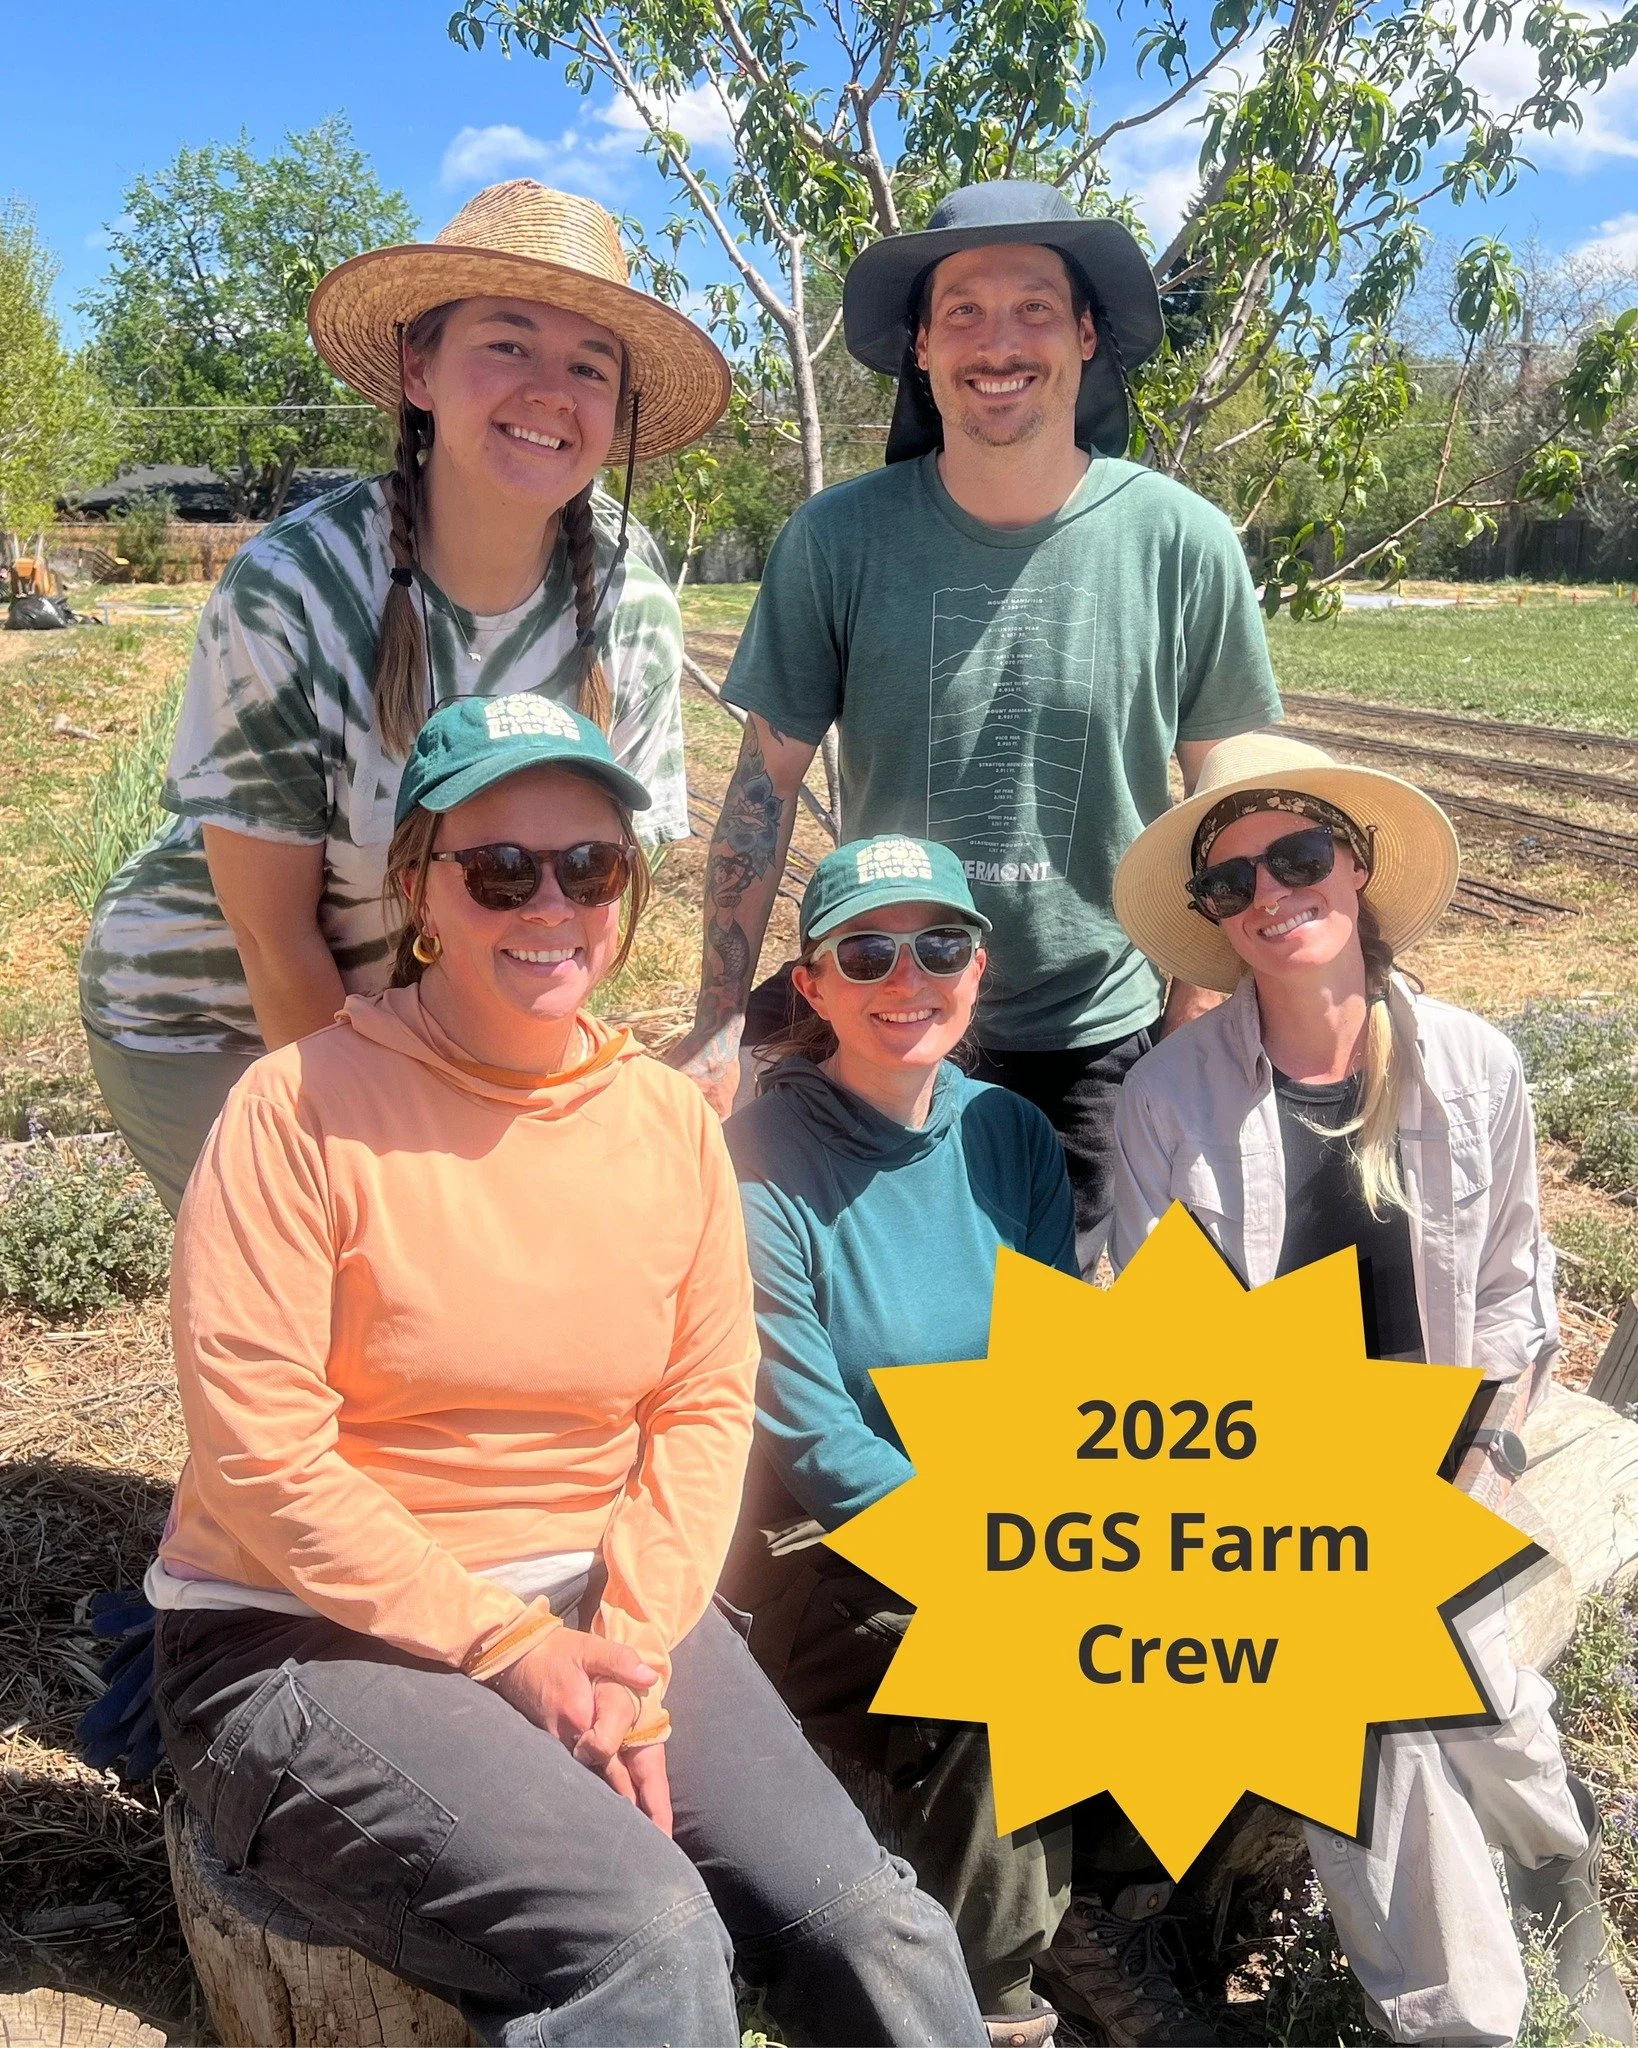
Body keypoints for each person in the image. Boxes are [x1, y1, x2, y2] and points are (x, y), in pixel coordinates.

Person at [147, 700, 987, 2048]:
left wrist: (634, 1651)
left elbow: (702, 1405)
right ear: (418, 886)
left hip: (597, 1606)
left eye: (589, 866)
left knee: (869, 1924)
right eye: (500, 869)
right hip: (303, 1633)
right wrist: (513, 1645)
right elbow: (263, 1464)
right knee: (643, 1939)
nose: (552, 902)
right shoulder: (295, 1111)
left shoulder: (661, 1120)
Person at [1107, 731, 1635, 2047]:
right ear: (1214, 922)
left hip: (1447, 1449)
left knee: (1474, 1683)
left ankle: (1549, 1904)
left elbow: (1516, 1302)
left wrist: (1485, 1457)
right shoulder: (1168, 1098)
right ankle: (1469, 2016)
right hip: (1258, 1477)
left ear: (1355, 868)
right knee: (1375, 1698)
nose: (1270, 893)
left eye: (1297, 855)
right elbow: (1147, 1338)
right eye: (1231, 883)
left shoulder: (1471, 1068)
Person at [79, 178, 730, 1215]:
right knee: (339, 1302)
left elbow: (590, 896)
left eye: (588, 363)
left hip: (436, 1011)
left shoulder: (628, 595)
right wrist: (379, 1154)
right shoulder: (295, 590)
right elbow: (272, 938)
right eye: (508, 344)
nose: (549, 390)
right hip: (218, 1015)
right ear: (420, 368)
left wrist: (509, 1080)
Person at [672, 179, 1283, 1268]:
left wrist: (1188, 1027)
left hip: (1099, 1036)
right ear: (918, 346)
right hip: (882, 1011)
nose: (998, 341)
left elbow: (1227, 793)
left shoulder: (1181, 541)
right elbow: (764, 785)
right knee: (869, 1331)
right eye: (962, 309)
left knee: (1074, 1343)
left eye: (1036, 307)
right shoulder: (837, 540)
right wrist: (722, 1016)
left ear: (1088, 334)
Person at [722, 832, 1217, 2048]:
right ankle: (988, 2005)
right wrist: (991, 1557)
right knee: (1012, 1671)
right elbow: (813, 1436)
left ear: (979, 967)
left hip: (996, 1506)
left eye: (939, 944)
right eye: (869, 951)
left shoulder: (1007, 1133)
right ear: (816, 984)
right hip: (816, 1547)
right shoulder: (760, 1165)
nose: (909, 976)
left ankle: (1108, 1909)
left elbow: (1053, 1366)